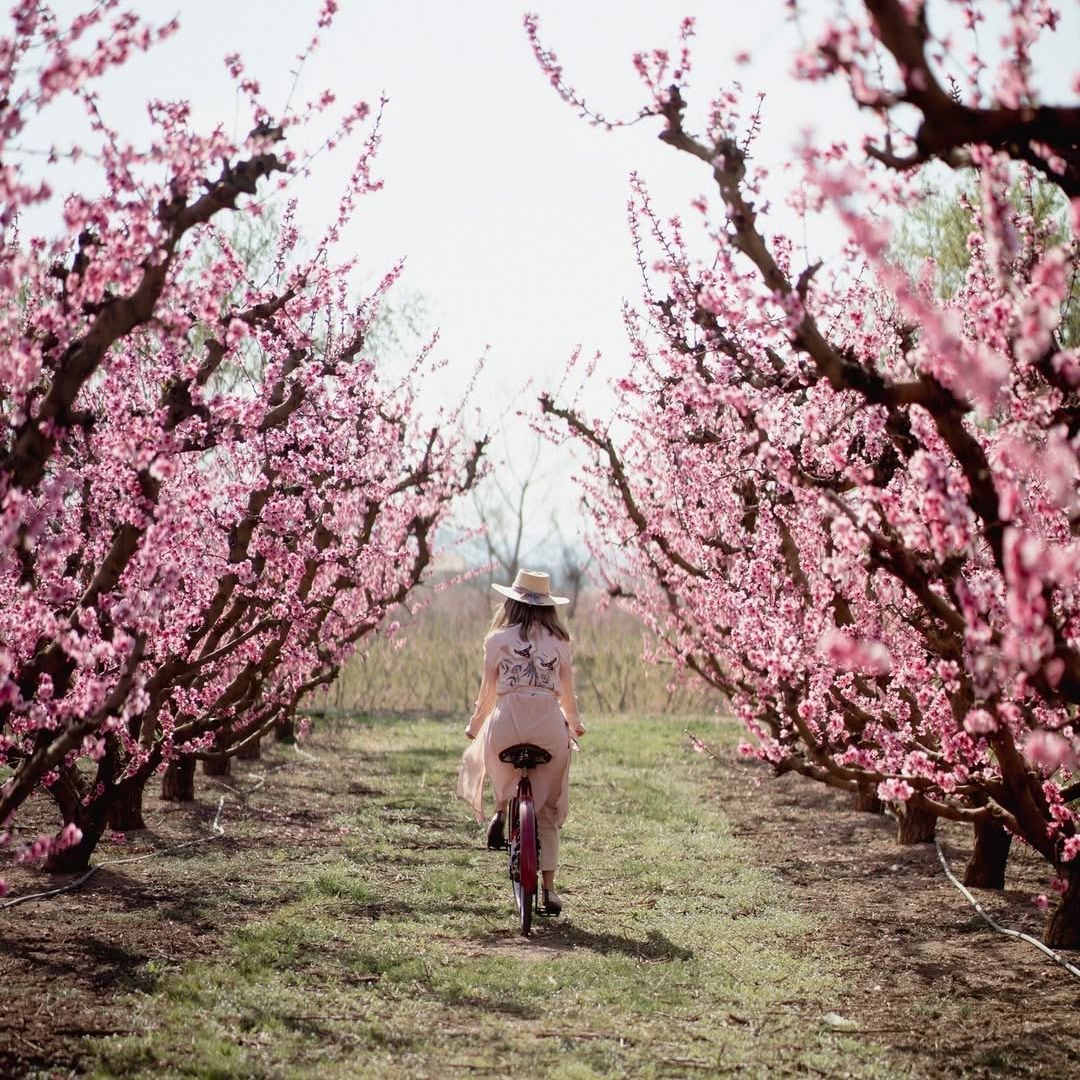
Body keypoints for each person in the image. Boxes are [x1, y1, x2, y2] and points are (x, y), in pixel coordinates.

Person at [457, 569, 585, 915]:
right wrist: (575, 724)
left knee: (491, 746)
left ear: (512, 602)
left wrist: (474, 724)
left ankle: (500, 808)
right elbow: (569, 698)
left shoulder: (496, 639)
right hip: (547, 726)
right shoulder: (560, 642)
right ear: (547, 607)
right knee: (546, 808)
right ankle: (550, 890)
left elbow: (486, 696)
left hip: (507, 726)